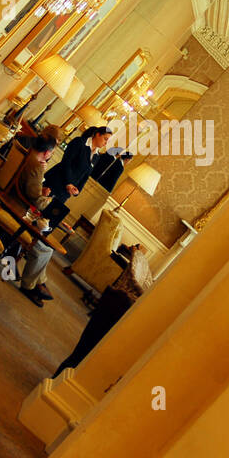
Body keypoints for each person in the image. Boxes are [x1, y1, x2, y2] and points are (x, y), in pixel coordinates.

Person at [53, 243, 152, 375]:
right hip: (119, 306)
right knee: (83, 354)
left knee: (82, 352)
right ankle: (57, 380)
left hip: (116, 302)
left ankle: (58, 378)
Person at [11, 135, 59, 307]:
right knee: (45, 248)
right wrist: (47, 199)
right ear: (47, 152)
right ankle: (29, 285)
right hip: (16, 210)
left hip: (7, 197)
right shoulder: (36, 167)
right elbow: (35, 200)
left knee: (44, 245)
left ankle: (39, 282)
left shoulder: (23, 153)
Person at [42, 125, 112, 229]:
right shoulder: (79, 142)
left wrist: (78, 189)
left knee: (46, 220)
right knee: (37, 210)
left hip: (65, 192)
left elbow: (85, 176)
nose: (106, 143)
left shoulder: (96, 156)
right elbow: (66, 162)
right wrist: (69, 183)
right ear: (97, 134)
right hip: (55, 181)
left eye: (108, 141)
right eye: (105, 139)